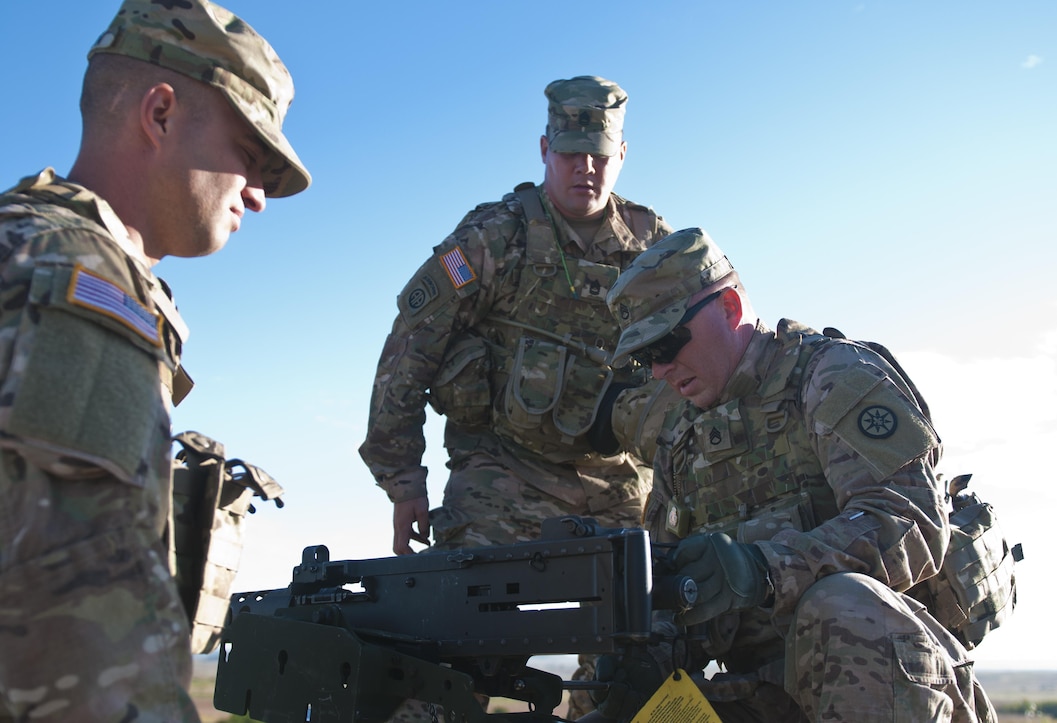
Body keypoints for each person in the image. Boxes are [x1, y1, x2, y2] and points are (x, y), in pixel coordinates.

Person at [0, 1, 310, 721]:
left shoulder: (35, 251)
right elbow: (76, 636)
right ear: (162, 113)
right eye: (251, 155)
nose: (259, 197)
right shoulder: (75, 274)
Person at [359, 75, 673, 719]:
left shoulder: (650, 246)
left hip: (619, 483)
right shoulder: (493, 237)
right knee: (450, 643)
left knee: (650, 654)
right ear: (543, 149)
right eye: (569, 153)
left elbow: (696, 362)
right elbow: (408, 350)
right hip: (502, 473)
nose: (585, 168)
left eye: (600, 155)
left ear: (622, 156)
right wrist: (403, 482)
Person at [588, 227, 995, 721]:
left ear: (731, 308)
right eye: (646, 356)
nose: (659, 371)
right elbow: (679, 585)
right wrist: (648, 653)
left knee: (840, 604)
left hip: (882, 673)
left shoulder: (830, 376)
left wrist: (763, 568)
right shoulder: (680, 435)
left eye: (669, 342)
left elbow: (911, 523)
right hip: (760, 693)